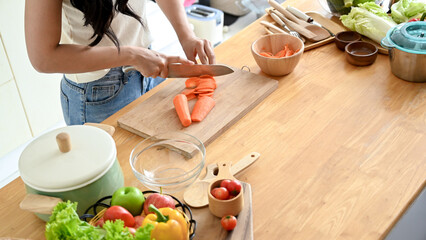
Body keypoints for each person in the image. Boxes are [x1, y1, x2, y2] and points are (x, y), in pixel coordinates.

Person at [24, 0, 216, 125]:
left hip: (148, 67)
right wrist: (132, 55)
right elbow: (43, 58)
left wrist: (186, 35)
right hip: (97, 94)